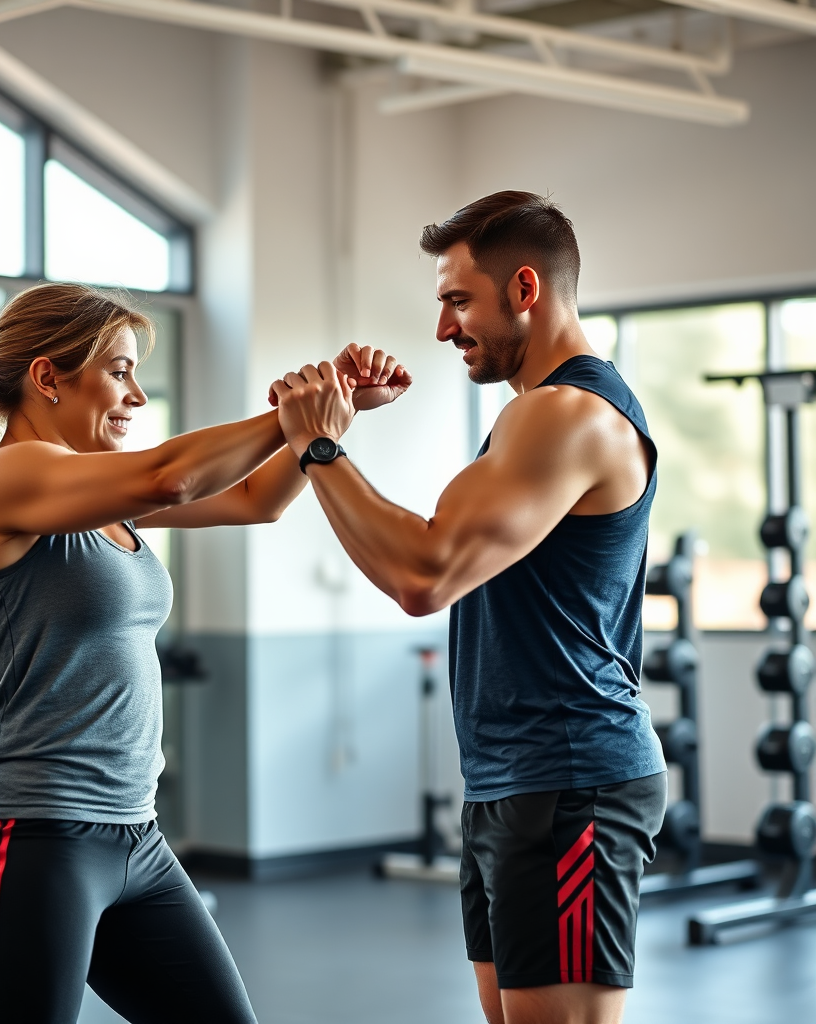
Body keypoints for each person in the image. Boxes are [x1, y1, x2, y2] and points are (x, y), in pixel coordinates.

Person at [0, 282, 410, 1024]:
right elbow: (171, 474)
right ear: (47, 378)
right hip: (32, 833)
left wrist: (335, 411)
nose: (137, 395)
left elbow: (252, 501)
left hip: (134, 835)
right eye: (119, 371)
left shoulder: (95, 495)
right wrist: (291, 416)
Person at [269, 192, 666, 1024]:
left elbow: (424, 573)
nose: (444, 329)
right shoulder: (533, 418)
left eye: (458, 300)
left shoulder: (567, 414)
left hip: (572, 778)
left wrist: (321, 445)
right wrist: (318, 442)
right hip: (510, 779)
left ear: (525, 288)